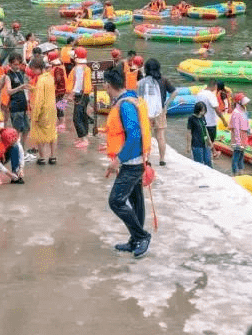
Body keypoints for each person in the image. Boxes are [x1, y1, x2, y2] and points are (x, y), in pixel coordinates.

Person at [103, 66, 151, 258]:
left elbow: (134, 136)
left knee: (116, 201)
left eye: (105, 86)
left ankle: (141, 236)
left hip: (132, 162)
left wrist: (118, 160)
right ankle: (134, 240)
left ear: (108, 85)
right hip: (136, 161)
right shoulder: (130, 99)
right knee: (136, 200)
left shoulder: (125, 105)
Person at [138, 58, 175, 166]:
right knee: (160, 136)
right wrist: (166, 104)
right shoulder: (163, 80)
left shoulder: (143, 82)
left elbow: (137, 94)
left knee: (146, 135)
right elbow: (175, 92)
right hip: (160, 111)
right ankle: (162, 159)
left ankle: (146, 158)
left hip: (146, 111)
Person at [29, 54, 58, 165]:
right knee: (52, 133)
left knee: (40, 134)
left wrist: (35, 116)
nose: (32, 72)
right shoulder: (50, 77)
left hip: (43, 111)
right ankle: (53, 156)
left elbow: (39, 100)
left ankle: (42, 158)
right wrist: (33, 88)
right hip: (52, 109)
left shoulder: (41, 80)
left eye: (33, 70)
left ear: (37, 68)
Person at [69, 47, 92, 148]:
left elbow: (78, 84)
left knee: (77, 118)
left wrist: (71, 94)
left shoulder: (78, 68)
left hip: (80, 95)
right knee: (83, 116)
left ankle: (84, 139)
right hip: (85, 95)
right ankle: (84, 136)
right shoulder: (85, 67)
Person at [196, 80, 228, 144]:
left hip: (200, 123)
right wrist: (224, 121)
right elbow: (217, 110)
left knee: (202, 143)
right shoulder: (211, 95)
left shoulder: (199, 94)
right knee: (210, 143)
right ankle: (209, 153)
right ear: (215, 86)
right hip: (210, 124)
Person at [228, 93, 250, 176]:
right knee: (237, 154)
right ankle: (235, 172)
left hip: (243, 134)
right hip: (238, 135)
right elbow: (236, 128)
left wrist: (249, 131)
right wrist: (238, 141)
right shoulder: (236, 112)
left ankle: (241, 171)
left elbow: (246, 121)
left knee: (241, 154)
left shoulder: (243, 109)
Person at [186, 102, 211, 166]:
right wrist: (188, 146)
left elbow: (205, 129)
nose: (204, 112)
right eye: (202, 110)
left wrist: (209, 140)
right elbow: (189, 132)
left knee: (208, 161)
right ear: (198, 110)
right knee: (199, 163)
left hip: (205, 143)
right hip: (196, 143)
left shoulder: (202, 117)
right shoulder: (191, 119)